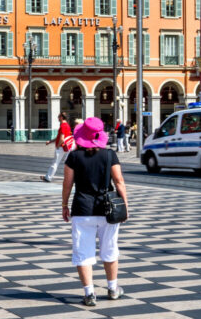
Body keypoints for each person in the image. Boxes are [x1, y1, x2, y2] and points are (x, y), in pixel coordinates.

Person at [61, 116, 128, 306]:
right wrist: (125, 206)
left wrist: (64, 205)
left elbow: (67, 184)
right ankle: (113, 289)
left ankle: (89, 294)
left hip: (82, 209)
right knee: (110, 249)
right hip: (108, 210)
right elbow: (119, 181)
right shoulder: (109, 155)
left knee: (83, 252)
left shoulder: (73, 156)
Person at [42, 112, 73, 182]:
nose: (58, 118)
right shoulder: (67, 125)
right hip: (67, 146)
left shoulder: (63, 126)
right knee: (67, 163)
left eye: (59, 117)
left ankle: (48, 177)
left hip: (61, 147)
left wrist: (58, 146)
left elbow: (61, 139)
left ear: (62, 117)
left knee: (55, 163)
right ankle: (71, 177)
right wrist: (50, 141)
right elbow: (59, 137)